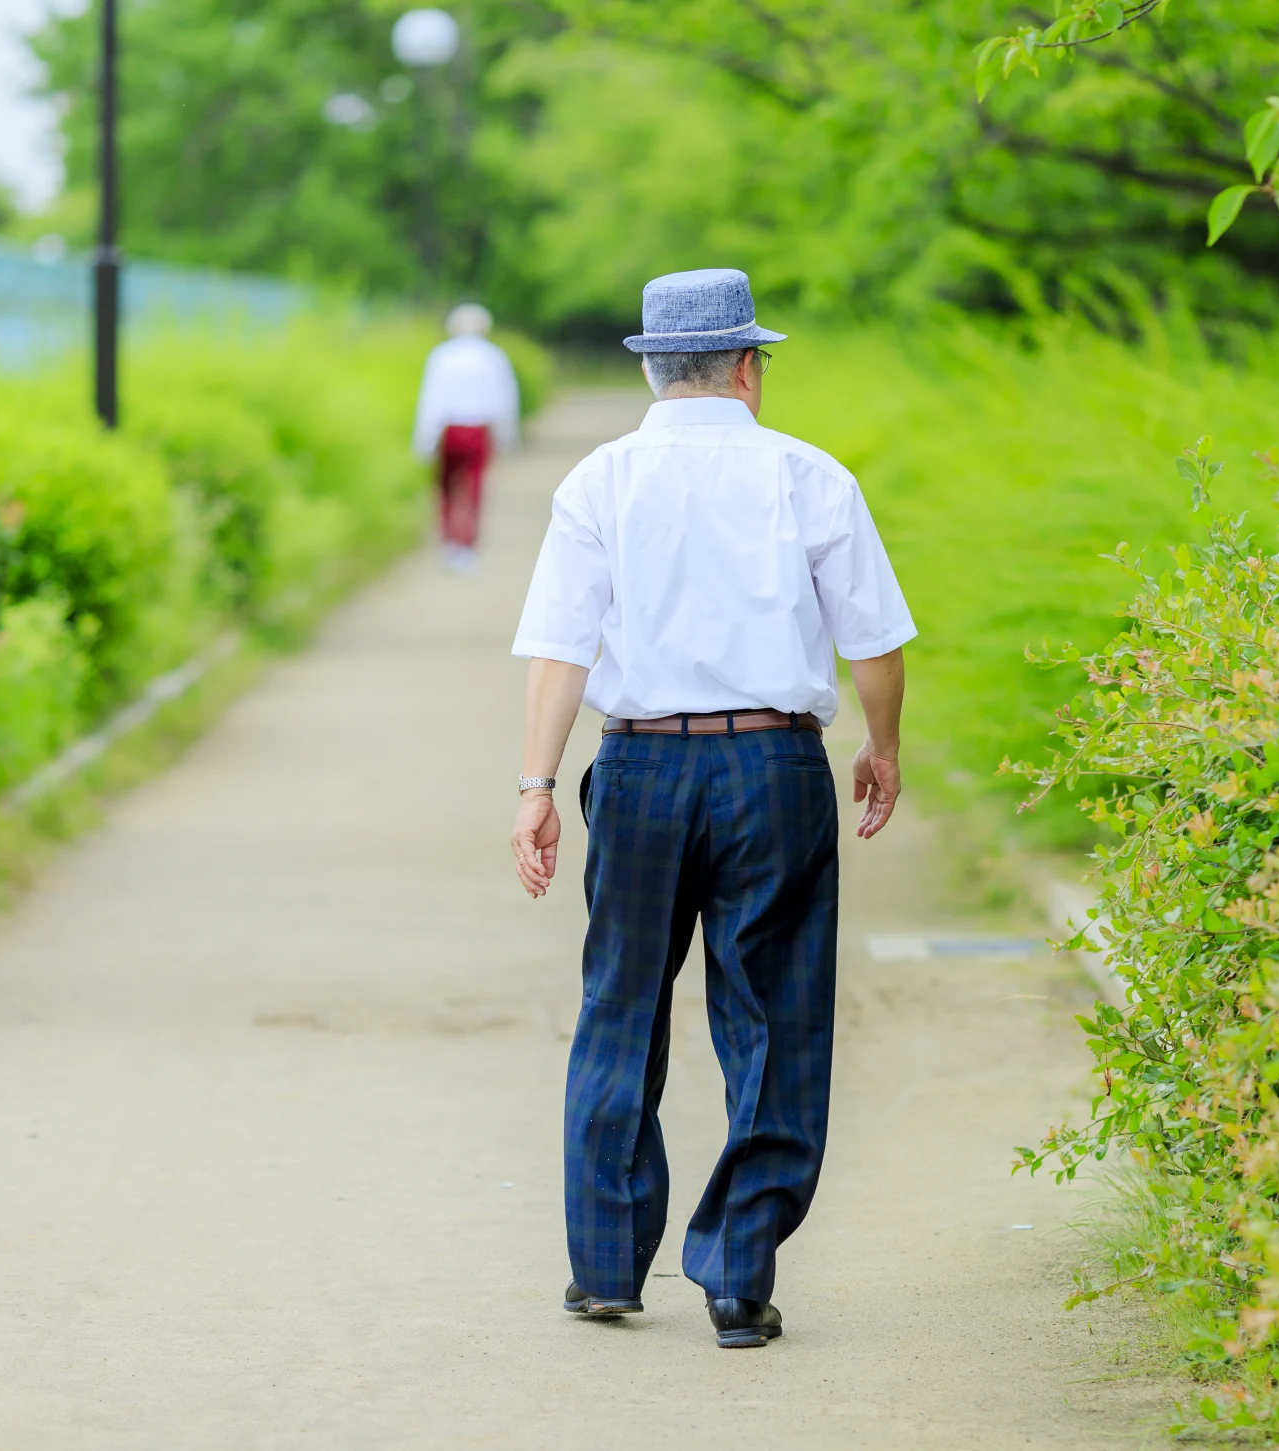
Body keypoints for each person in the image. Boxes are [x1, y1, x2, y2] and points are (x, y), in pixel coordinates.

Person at [508, 268, 915, 1350]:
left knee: (619, 1004)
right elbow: (872, 641)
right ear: (747, 365)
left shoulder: (599, 480)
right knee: (773, 1012)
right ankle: (738, 1274)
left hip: (638, 769)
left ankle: (605, 1264)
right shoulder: (808, 476)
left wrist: (536, 787)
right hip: (772, 767)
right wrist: (880, 745)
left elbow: (561, 646)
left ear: (652, 365)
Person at [411, 302, 520, 572]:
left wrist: (424, 439)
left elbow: (431, 400)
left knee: (446, 487)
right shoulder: (493, 357)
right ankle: (467, 545)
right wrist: (507, 436)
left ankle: (449, 541)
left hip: (449, 429)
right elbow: (504, 400)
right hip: (478, 429)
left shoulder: (441, 356)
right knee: (473, 487)